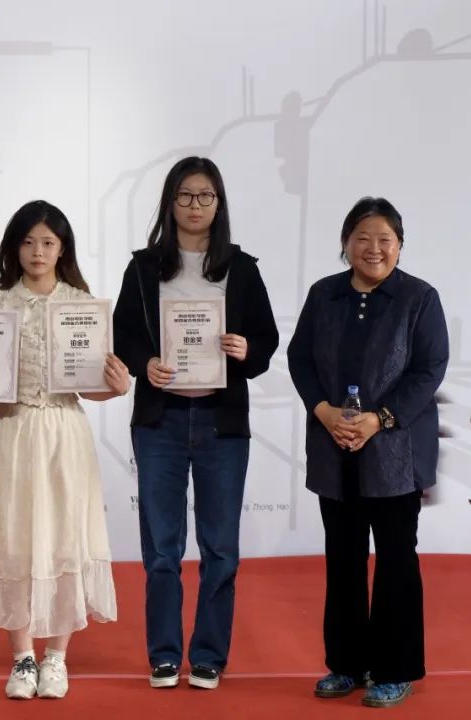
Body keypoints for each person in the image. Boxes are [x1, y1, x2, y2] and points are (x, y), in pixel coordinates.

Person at [0, 200, 128, 700]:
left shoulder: (81, 306)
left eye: (47, 242)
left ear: (62, 248)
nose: (37, 251)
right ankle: (23, 658)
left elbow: (88, 386)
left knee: (65, 537)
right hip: (11, 430)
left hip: (64, 432)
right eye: (27, 242)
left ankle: (57, 659)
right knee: (15, 541)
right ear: (14, 247)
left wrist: (116, 388)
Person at [113, 157, 279, 690]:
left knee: (220, 548)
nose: (194, 206)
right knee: (162, 547)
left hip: (220, 424)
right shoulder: (144, 268)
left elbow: (267, 339)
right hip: (159, 421)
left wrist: (246, 349)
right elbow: (122, 334)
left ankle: (208, 654)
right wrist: (145, 363)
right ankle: (164, 654)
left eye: (205, 196)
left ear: (219, 204)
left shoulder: (241, 267)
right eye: (185, 195)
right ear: (170, 202)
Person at [286, 196, 449, 708]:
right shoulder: (324, 294)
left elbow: (430, 368)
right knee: (343, 559)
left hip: (395, 452)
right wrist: (323, 411)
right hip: (335, 448)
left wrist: (379, 419)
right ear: (345, 244)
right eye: (362, 238)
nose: (373, 248)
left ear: (400, 246)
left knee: (397, 561)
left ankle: (395, 670)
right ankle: (346, 664)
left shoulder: (419, 298)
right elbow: (299, 358)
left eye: (385, 239)